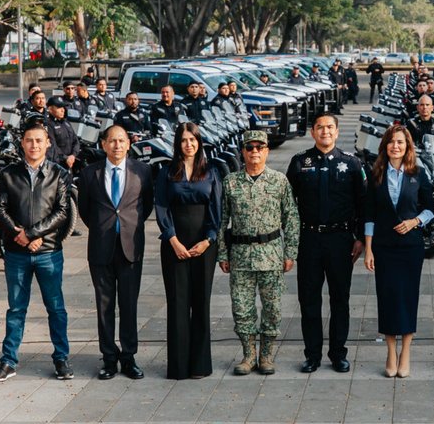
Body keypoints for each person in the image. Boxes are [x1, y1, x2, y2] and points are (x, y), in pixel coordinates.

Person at [0, 123, 75, 381]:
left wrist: (34, 234)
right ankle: (8, 360)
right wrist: (21, 235)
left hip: (48, 252)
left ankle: (61, 358)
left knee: (56, 307)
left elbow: (62, 211)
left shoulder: (59, 174)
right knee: (16, 309)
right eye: (29, 140)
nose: (34, 145)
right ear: (22, 143)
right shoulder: (8, 174)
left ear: (48, 143)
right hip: (17, 253)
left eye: (39, 140)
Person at [286, 113, 368, 373]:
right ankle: (312, 355)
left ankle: (338, 354)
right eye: (320, 127)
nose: (325, 131)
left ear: (337, 131)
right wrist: (290, 241)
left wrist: (359, 238)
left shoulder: (351, 163)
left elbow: (363, 204)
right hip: (309, 239)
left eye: (330, 127)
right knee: (309, 299)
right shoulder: (300, 162)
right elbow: (287, 205)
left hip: (340, 240)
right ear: (313, 132)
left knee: (340, 299)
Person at [219, 130, 298, 376]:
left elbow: (291, 217)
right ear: (242, 151)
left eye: (259, 147)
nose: (254, 152)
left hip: (271, 254)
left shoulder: (279, 181)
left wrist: (290, 252)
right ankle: (248, 355)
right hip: (240, 256)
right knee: (242, 308)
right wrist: (222, 254)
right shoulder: (230, 182)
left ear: (267, 151)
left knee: (272, 308)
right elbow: (221, 220)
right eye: (249, 147)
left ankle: (266, 355)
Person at [77, 124, 153, 380]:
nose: (117, 145)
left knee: (129, 305)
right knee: (104, 305)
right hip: (101, 248)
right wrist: (104, 227)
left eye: (121, 140)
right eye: (112, 141)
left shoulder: (143, 171)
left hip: (131, 248)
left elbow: (146, 205)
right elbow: (85, 210)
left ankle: (129, 357)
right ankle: (109, 357)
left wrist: (128, 226)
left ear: (129, 144)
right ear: (103, 144)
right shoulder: (90, 173)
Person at [362, 125, 434, 378]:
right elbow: (369, 214)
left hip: (410, 247)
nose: (396, 146)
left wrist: (415, 221)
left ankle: (406, 352)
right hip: (383, 247)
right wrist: (368, 249)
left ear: (407, 146)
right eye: (391, 142)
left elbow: (431, 208)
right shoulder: (376, 175)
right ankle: (391, 352)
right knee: (387, 297)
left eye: (400, 142)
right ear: (385, 146)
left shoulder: (418, 173)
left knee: (408, 297)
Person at [155, 123, 221, 380]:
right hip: (175, 244)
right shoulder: (166, 172)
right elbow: (162, 207)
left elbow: (216, 209)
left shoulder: (211, 171)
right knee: (178, 303)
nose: (188, 144)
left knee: (201, 302)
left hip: (204, 245)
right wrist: (173, 240)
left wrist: (208, 240)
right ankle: (179, 367)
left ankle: (200, 365)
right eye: (184, 140)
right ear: (177, 144)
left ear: (199, 142)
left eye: (192, 140)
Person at [45, 98, 79, 171]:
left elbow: (76, 141)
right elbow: (53, 145)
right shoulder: (48, 124)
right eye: (59, 107)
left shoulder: (66, 122)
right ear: (50, 109)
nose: (62, 110)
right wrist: (66, 158)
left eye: (63, 107)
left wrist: (73, 155)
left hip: (71, 161)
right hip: (58, 163)